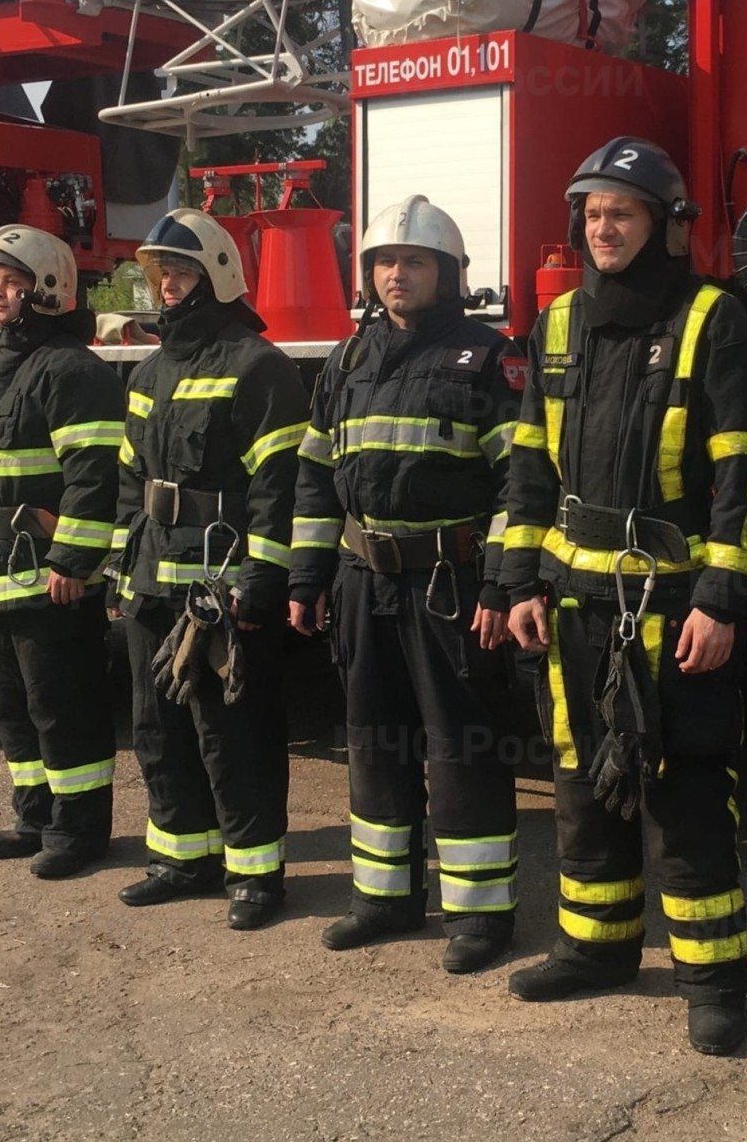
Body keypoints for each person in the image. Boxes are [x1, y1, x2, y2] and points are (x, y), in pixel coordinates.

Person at [498, 138, 747, 1055]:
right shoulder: (554, 326)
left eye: (620, 212)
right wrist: (517, 580)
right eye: (590, 214)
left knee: (687, 788)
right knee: (582, 784)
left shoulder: (713, 318)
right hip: (576, 599)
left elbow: (746, 466)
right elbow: (529, 466)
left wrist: (723, 599)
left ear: (663, 222)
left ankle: (712, 977)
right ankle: (597, 948)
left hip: (674, 609)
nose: (603, 227)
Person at [289, 195, 523, 975]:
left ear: (447, 273)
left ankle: (479, 914)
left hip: (447, 585)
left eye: (414, 262)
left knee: (461, 748)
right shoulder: (348, 359)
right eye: (385, 262)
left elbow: (518, 483)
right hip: (362, 581)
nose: (397, 275)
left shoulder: (486, 358)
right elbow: (316, 475)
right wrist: (307, 574)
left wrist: (498, 585)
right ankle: (383, 899)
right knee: (371, 742)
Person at [109, 209, 310, 931]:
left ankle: (255, 875)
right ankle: (179, 857)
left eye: (182, 270)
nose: (166, 284)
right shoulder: (150, 369)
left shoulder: (258, 366)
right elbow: (130, 478)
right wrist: (124, 564)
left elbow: (277, 489)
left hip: (219, 586)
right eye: (161, 271)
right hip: (155, 577)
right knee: (156, 722)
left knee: (234, 730)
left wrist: (260, 579)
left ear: (219, 276)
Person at [0, 224, 124, 880]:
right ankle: (35, 817)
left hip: (48, 583)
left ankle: (78, 831)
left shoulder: (74, 373)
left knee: (62, 706)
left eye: (9, 278)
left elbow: (95, 477)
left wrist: (72, 561)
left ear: (48, 288)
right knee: (12, 708)